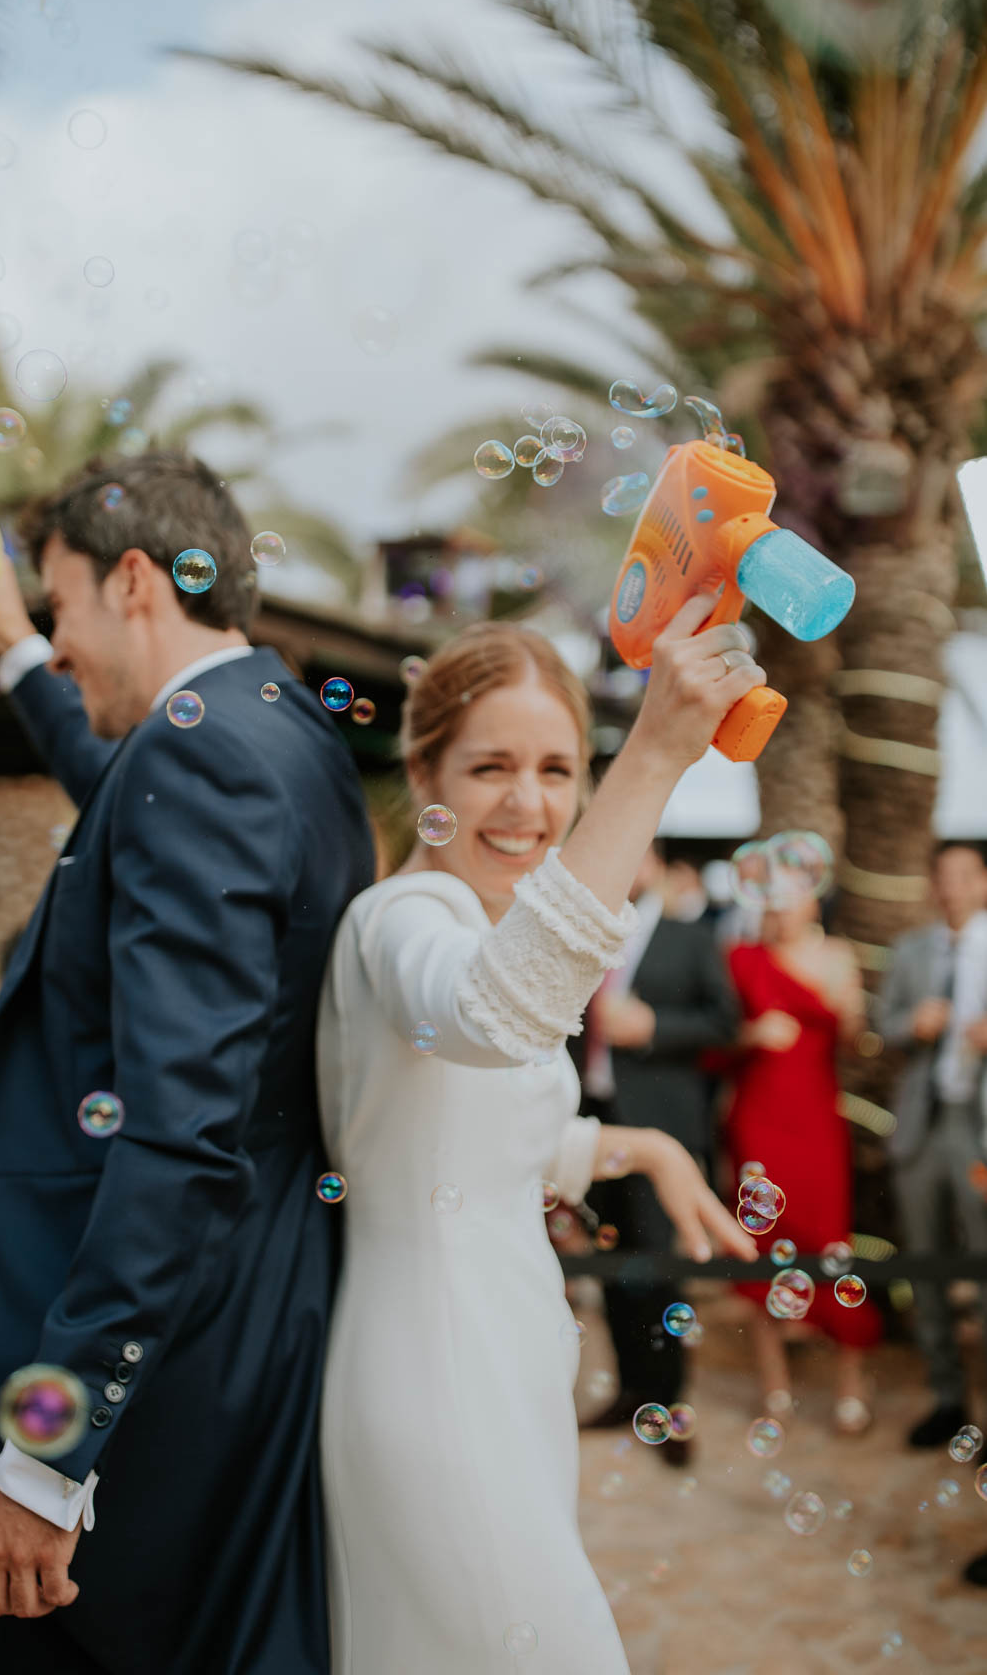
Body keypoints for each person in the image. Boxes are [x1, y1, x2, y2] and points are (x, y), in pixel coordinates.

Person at [0, 449, 376, 1675]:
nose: (60, 644)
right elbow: (117, 785)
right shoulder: (266, 729)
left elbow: (183, 1127)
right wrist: (12, 644)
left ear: (135, 581)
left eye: (60, 606)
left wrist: (48, 1451)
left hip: (150, 1377)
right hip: (238, 1326)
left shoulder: (199, 756)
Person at [316, 603, 762, 1675]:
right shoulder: (404, 920)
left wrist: (641, 1150)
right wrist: (653, 756)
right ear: (426, 775)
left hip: (506, 1366)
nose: (529, 802)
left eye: (560, 769)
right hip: (433, 1376)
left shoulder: (479, 926)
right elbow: (495, 1015)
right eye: (491, 767)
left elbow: (474, 1140)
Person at [579, 839, 739, 1457]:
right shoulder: (582, 933)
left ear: (653, 863)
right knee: (610, 1262)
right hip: (592, 1122)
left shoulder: (689, 937)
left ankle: (670, 1408)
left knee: (659, 1267)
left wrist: (652, 1028)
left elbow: (723, 1024)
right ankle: (628, 1391)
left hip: (657, 1126)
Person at [723, 873, 881, 1430]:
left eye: (790, 896)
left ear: (813, 900)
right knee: (762, 1250)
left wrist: (853, 1013)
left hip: (816, 1119)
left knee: (827, 1244)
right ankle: (775, 1389)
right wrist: (749, 1034)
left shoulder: (838, 958)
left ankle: (850, 1387)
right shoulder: (740, 958)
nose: (780, 908)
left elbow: (857, 1043)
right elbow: (715, 1041)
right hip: (759, 1120)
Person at [877, 841, 987, 1449]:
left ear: (983, 882)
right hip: (922, 1127)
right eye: (941, 876)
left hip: (979, 1130)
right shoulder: (912, 949)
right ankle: (948, 1401)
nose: (951, 888)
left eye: (963, 876)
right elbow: (884, 1024)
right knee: (925, 1266)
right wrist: (910, 1026)